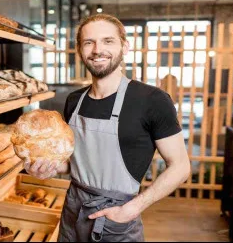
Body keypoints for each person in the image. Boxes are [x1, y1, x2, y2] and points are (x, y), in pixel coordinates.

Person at [24, 14, 190, 242]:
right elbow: (75, 163)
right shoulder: (74, 100)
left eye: (108, 41)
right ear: (80, 50)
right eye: (89, 42)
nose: (97, 50)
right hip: (73, 210)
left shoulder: (152, 100)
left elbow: (180, 166)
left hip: (116, 218)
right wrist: (49, 168)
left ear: (125, 46)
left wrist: (131, 209)